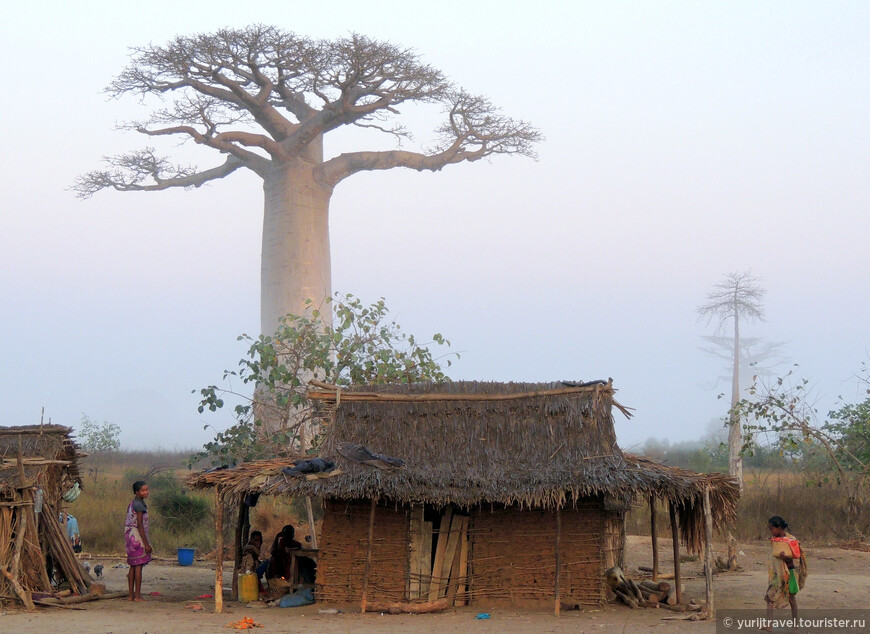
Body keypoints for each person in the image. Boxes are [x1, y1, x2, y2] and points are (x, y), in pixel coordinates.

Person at [762, 516, 807, 630]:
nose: (771, 531)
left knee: (792, 599)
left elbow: (796, 559)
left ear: (779, 528)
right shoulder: (775, 541)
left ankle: (795, 626)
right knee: (770, 597)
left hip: (789, 574)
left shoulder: (791, 541)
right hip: (777, 575)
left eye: (772, 529)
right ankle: (769, 625)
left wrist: (786, 558)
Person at [125, 481, 152, 601]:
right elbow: (140, 525)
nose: (146, 492)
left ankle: (131, 595)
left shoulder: (132, 504)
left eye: (147, 490)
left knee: (132, 565)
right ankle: (137, 595)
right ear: (137, 492)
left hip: (129, 535)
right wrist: (146, 544)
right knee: (138, 566)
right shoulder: (139, 505)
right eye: (143, 490)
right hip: (137, 536)